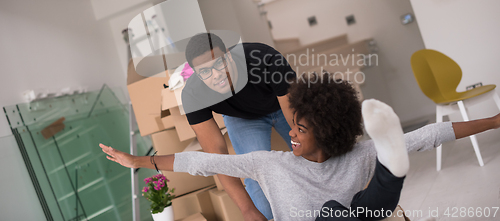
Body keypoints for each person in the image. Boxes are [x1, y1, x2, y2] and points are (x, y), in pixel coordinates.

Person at [100, 72, 500, 221]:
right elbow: (201, 160)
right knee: (334, 214)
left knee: (357, 207)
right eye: (294, 125)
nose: (290, 132)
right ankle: (390, 170)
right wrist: (139, 160)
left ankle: (390, 167)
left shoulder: (357, 154)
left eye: (301, 129)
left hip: (360, 217)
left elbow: (431, 134)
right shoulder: (269, 164)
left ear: (327, 133)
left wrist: (496, 121)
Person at [179, 32, 297, 220]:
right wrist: (247, 210)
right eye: (205, 71)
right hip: (243, 117)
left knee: (312, 156)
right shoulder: (193, 95)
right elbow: (217, 158)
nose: (217, 75)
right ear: (197, 75)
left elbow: (298, 125)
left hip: (283, 105)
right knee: (255, 176)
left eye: (219, 63)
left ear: (228, 54)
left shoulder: (263, 57)